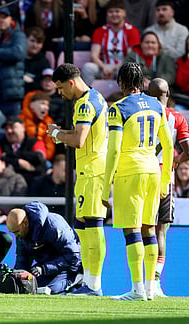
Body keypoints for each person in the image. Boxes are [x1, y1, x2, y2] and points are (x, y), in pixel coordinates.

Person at [101, 62, 173, 301]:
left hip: (129, 172)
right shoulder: (156, 105)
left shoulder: (118, 108)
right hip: (153, 169)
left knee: (131, 231)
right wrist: (165, 180)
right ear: (142, 82)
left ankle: (136, 289)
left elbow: (113, 151)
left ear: (121, 83)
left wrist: (105, 183)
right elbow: (169, 145)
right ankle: (152, 288)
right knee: (149, 229)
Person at [48, 63, 108, 296]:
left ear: (71, 83)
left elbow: (79, 140)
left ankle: (94, 285)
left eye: (61, 88)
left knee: (93, 228)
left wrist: (55, 134)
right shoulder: (97, 97)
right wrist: (60, 133)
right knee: (84, 229)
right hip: (91, 170)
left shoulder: (83, 104)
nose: (60, 93)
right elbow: (79, 134)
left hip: (92, 171)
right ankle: (87, 281)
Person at [148, 78, 189, 297]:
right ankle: (155, 284)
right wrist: (175, 162)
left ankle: (141, 282)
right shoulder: (177, 117)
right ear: (168, 93)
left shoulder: (140, 114)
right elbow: (188, 150)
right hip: (165, 177)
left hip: (141, 176)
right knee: (160, 231)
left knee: (141, 229)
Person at [6, 202, 82, 295]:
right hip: (46, 267)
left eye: (16, 232)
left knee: (46, 290)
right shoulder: (22, 232)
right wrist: (18, 275)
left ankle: (78, 278)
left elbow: (73, 255)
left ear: (25, 223)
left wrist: (44, 268)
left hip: (70, 266)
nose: (16, 235)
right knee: (26, 287)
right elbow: (23, 258)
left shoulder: (53, 226)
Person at [81, 0, 140, 86]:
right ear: (107, 14)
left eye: (117, 11)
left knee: (128, 68)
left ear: (124, 13)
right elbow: (94, 56)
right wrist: (104, 67)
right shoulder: (99, 31)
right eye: (111, 12)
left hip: (121, 66)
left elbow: (129, 57)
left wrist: (113, 68)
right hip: (103, 66)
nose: (114, 14)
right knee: (88, 68)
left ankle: (126, 97)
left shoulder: (132, 31)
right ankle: (87, 96)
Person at [0, 115, 47, 184]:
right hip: (8, 183)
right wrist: (18, 162)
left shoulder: (36, 142)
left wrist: (9, 156)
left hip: (34, 181)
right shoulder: (0, 144)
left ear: (23, 127)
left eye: (12, 127)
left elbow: (39, 157)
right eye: (6, 129)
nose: (9, 131)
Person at [19, 92, 56, 161]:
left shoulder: (49, 122)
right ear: (31, 105)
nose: (46, 108)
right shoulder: (20, 120)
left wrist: (44, 158)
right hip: (23, 157)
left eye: (47, 105)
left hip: (42, 158)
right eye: (42, 103)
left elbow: (50, 144)